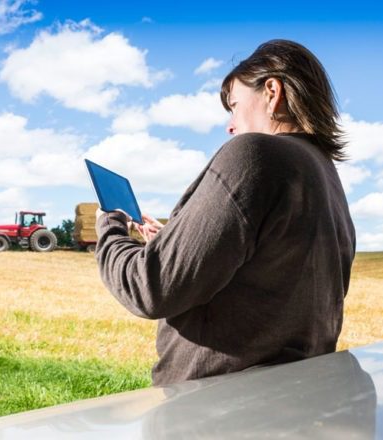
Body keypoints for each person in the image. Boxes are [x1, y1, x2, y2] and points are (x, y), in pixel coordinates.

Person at [94, 39, 355, 386]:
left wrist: (109, 226)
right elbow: (272, 276)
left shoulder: (255, 153)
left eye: (234, 106)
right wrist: (176, 241)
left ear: (272, 91)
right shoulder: (323, 174)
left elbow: (151, 288)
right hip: (294, 399)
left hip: (216, 407)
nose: (230, 125)